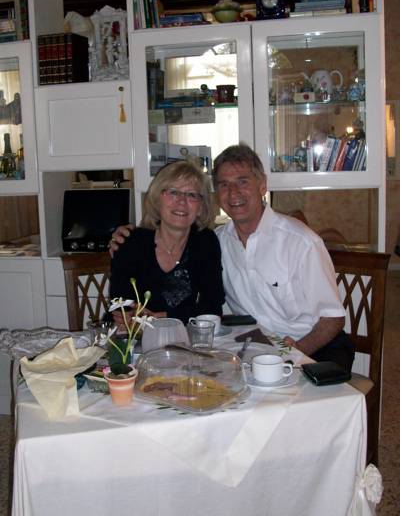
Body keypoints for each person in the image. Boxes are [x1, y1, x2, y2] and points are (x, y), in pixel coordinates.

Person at [110, 144, 354, 372]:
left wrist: (295, 352)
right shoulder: (218, 241)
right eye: (224, 184)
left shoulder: (300, 242)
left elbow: (333, 319)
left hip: (314, 347)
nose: (233, 192)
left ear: (262, 186)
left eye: (242, 181)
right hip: (254, 346)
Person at [109, 160, 225, 326]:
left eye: (192, 195)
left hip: (183, 335)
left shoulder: (205, 242)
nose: (182, 201)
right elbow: (120, 304)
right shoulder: (130, 241)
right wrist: (131, 317)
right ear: (157, 200)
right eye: (173, 192)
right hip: (132, 334)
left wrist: (162, 318)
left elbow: (213, 306)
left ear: (201, 207)